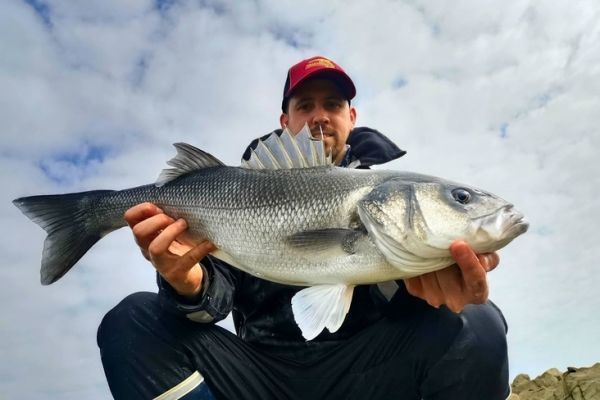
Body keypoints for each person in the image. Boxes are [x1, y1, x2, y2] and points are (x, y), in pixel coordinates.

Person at [97, 56, 510, 400]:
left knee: (476, 320)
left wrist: (436, 292)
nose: (319, 116)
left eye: (332, 104)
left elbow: (417, 318)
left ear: (351, 116)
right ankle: (87, 216)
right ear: (285, 119)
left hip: (369, 375)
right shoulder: (233, 192)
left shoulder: (386, 200)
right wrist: (186, 285)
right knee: (133, 320)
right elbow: (212, 305)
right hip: (261, 377)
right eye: (305, 105)